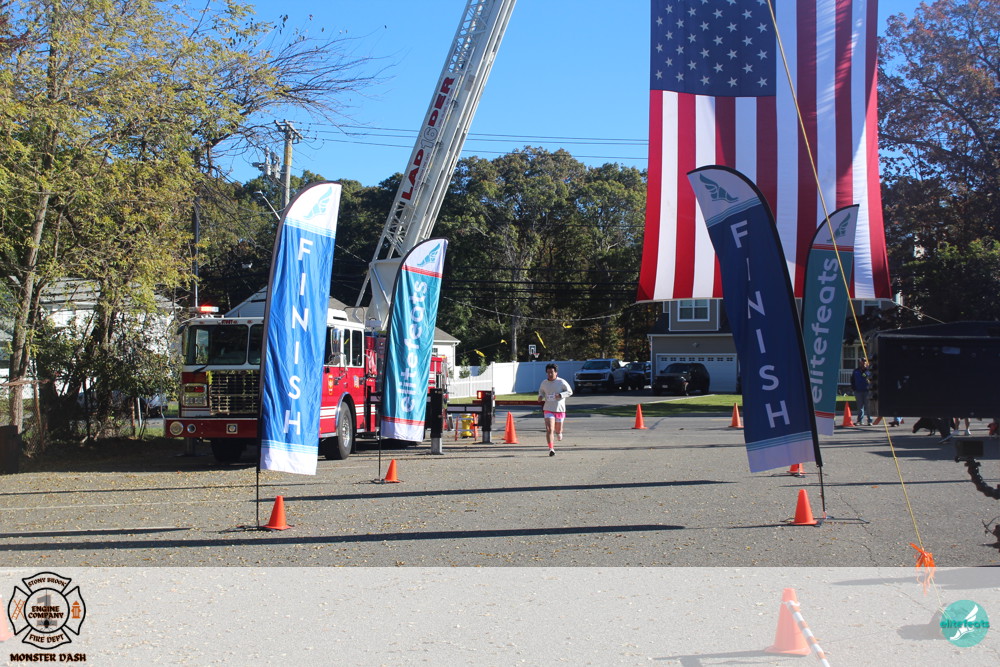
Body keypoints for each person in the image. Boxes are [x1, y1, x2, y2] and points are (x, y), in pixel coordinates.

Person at [538, 363, 573, 456]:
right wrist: (540, 396)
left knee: (558, 430)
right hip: (548, 409)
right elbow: (541, 391)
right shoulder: (544, 383)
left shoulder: (561, 382)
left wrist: (560, 395)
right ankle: (551, 449)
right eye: (548, 372)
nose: (550, 374)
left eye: (552, 372)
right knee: (549, 429)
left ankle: (559, 432)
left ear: (556, 373)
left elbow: (570, 392)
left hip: (559, 409)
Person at [850, 359, 873, 426]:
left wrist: (866, 370)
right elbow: (852, 380)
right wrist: (853, 388)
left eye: (864, 362)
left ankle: (870, 421)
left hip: (867, 391)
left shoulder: (869, 371)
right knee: (860, 407)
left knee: (868, 406)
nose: (863, 363)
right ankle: (859, 420)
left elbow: (870, 378)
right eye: (862, 362)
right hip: (858, 391)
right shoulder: (856, 371)